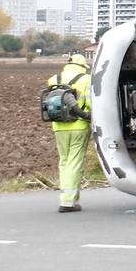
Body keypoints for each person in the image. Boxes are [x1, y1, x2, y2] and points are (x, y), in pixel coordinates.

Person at [46, 54, 92, 212]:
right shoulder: (86, 79)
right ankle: (68, 202)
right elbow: (90, 103)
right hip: (79, 125)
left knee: (64, 162)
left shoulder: (54, 79)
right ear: (82, 65)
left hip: (58, 126)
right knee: (75, 162)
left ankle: (67, 198)